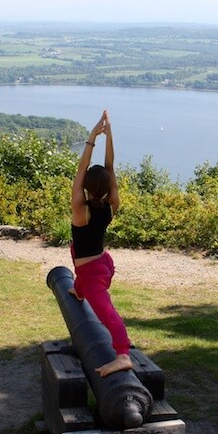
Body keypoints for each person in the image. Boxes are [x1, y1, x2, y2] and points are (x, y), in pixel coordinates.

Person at [69, 110, 133, 377]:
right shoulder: (110, 206)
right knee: (81, 279)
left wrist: (92, 137)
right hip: (102, 263)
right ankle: (78, 289)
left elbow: (82, 170)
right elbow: (110, 168)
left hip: (93, 272)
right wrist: (110, 135)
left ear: (85, 187)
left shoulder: (80, 209)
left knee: (107, 314)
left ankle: (123, 355)